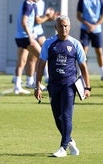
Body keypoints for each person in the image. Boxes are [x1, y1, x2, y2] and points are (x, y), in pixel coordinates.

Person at [34, 15, 91, 157]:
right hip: (53, 85)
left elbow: (83, 66)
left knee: (66, 115)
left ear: (69, 27)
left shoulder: (75, 44)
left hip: (69, 85)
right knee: (58, 118)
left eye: (66, 26)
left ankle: (62, 148)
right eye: (61, 26)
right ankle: (70, 141)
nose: (63, 28)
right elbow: (41, 64)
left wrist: (87, 87)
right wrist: (37, 85)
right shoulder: (49, 43)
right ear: (56, 28)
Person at [25, 0, 55, 89]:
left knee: (45, 53)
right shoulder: (34, 2)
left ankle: (45, 77)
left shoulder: (41, 2)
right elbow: (37, 20)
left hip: (39, 31)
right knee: (33, 58)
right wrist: (48, 16)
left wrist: (51, 16)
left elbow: (41, 19)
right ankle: (30, 81)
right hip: (33, 33)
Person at [13, 0, 43, 94]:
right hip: (26, 37)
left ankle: (17, 86)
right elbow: (24, 21)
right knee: (43, 57)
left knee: (21, 62)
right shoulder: (29, 5)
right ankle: (37, 82)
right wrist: (31, 36)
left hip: (19, 37)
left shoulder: (25, 4)